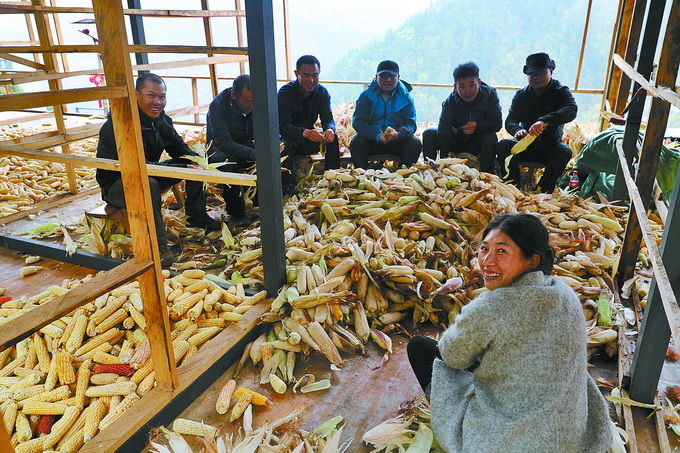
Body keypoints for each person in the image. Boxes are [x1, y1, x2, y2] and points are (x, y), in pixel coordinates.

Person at [407, 213, 613, 452]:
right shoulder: (565, 293)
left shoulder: (493, 305)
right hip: (570, 437)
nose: (487, 261)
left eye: (501, 251)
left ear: (531, 261)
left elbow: (452, 355)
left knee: (421, 348)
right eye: (484, 249)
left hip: (507, 442)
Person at [96, 73, 220, 265]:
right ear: (136, 95)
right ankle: (158, 245)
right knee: (149, 184)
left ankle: (197, 217)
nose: (158, 102)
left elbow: (178, 147)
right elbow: (136, 166)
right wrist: (180, 166)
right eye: (151, 96)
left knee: (193, 167)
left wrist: (197, 161)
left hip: (149, 172)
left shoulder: (161, 120)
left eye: (162, 97)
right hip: (117, 184)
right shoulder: (120, 125)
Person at [496, 52, 577, 193]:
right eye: (532, 75)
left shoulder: (561, 91)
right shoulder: (521, 95)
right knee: (502, 146)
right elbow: (511, 120)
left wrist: (544, 121)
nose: (537, 78)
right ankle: (513, 187)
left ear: (551, 71)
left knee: (564, 151)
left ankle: (545, 190)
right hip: (525, 146)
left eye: (541, 73)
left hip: (549, 146)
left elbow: (571, 110)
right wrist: (517, 130)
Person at [422, 62, 501, 173]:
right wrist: (445, 163)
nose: (467, 91)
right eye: (462, 86)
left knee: (490, 137)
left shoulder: (490, 95)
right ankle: (430, 171)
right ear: (455, 86)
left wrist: (477, 127)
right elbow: (444, 130)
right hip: (457, 140)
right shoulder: (450, 101)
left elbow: (497, 123)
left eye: (471, 85)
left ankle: (486, 175)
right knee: (429, 133)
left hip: (478, 142)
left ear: (479, 82)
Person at [278, 55, 340, 194]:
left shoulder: (322, 92)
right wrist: (305, 132)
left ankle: (333, 179)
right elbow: (283, 126)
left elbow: (327, 118)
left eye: (315, 75)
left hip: (307, 139)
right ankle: (286, 189)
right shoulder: (285, 93)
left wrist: (330, 129)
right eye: (306, 75)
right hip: (288, 138)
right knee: (282, 147)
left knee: (332, 139)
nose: (311, 80)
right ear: (296, 74)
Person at [350, 60, 422, 169]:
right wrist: (377, 136)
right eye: (383, 76)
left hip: (396, 141)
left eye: (392, 76)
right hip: (372, 140)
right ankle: (362, 175)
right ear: (376, 77)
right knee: (356, 142)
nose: (388, 80)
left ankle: (403, 177)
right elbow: (358, 122)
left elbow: (410, 124)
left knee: (415, 143)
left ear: (398, 77)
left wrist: (398, 134)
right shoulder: (366, 96)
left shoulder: (406, 98)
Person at [206, 74, 255, 227]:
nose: (252, 105)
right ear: (234, 95)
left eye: (254, 101)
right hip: (219, 150)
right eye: (247, 101)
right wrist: (253, 153)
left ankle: (259, 203)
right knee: (228, 163)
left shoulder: (255, 102)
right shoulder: (218, 106)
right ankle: (236, 212)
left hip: (245, 145)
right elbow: (224, 142)